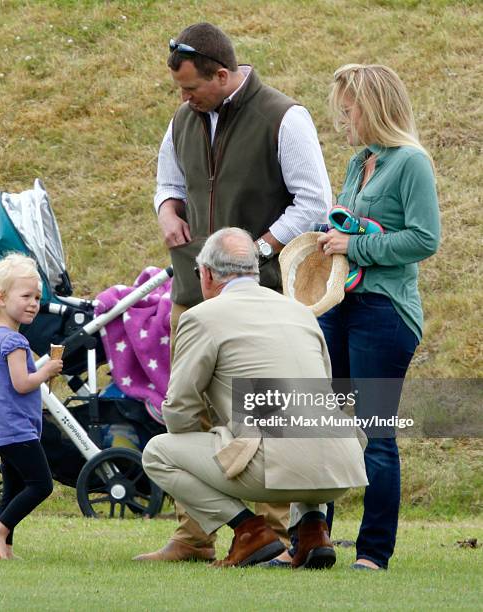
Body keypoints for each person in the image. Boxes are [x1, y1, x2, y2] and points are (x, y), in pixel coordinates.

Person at [139, 20, 333, 562]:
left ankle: (265, 530)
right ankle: (195, 536)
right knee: (195, 412)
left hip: (262, 294)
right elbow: (168, 182)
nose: (182, 98)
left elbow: (314, 200)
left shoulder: (284, 117)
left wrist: (263, 247)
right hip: (194, 290)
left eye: (190, 88)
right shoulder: (184, 119)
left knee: (260, 414)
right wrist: (167, 212)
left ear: (222, 75)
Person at [142, 228, 368, 568]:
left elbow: (179, 407)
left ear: (206, 274)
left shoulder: (201, 317)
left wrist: (211, 442)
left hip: (275, 472)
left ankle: (249, 531)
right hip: (342, 466)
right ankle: (313, 530)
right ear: (255, 271)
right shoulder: (301, 312)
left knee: (158, 452)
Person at [316, 64, 440, 570]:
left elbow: (424, 239)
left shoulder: (411, 163)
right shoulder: (358, 161)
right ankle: (313, 538)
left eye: (349, 111)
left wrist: (356, 245)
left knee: (375, 432)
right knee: (316, 424)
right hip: (338, 306)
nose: (343, 121)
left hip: (384, 313)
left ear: (374, 108)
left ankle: (372, 553)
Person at [0, 254, 63, 560]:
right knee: (41, 485)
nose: (33, 303)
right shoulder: (14, 342)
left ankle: (4, 548)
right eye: (26, 296)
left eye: (37, 297)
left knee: (13, 488)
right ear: (1, 298)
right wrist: (47, 371)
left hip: (5, 428)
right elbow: (22, 383)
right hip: (16, 428)